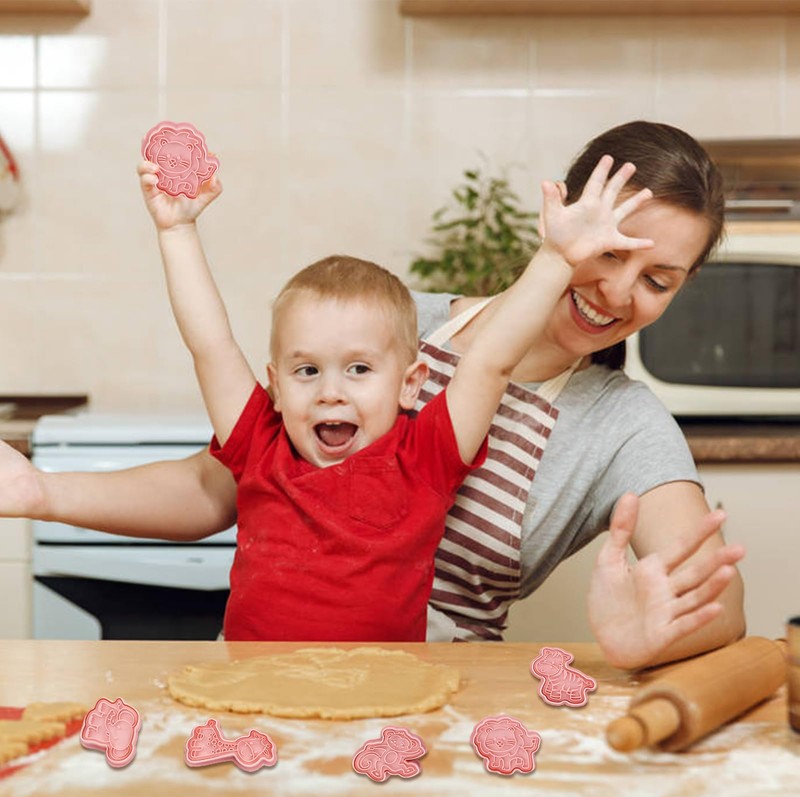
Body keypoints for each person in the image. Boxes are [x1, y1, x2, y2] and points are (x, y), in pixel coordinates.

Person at [0, 121, 746, 668]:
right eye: (608, 250)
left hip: (424, 700)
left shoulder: (622, 424)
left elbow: (720, 602)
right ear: (560, 217)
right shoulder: (386, 324)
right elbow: (220, 476)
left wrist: (648, 637)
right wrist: (42, 491)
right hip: (257, 677)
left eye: (658, 281)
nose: (617, 290)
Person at [134, 146, 652, 643]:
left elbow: (491, 362)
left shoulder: (424, 460)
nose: (330, 393)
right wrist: (177, 231)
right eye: (307, 371)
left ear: (410, 384)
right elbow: (211, 345)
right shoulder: (259, 446)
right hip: (253, 686)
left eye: (358, 369)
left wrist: (557, 260)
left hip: (386, 691)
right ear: (276, 387)